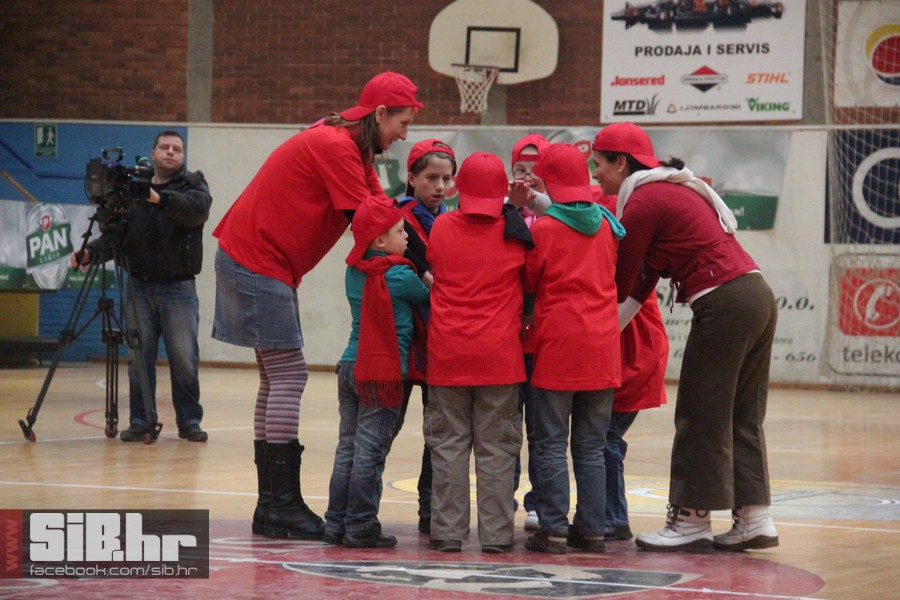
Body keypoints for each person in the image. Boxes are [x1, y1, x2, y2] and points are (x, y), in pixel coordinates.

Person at [211, 71, 424, 539]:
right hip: (257, 259)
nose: (405, 134)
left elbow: (381, 207)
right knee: (289, 376)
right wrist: (429, 267)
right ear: (380, 114)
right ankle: (281, 504)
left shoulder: (351, 146)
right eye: (403, 123)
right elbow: (371, 224)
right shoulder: (335, 146)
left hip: (256, 259)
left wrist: (416, 238)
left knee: (276, 378)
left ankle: (272, 507)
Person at [592, 121, 779, 552]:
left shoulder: (643, 201)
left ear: (621, 163)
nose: (595, 174)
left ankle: (692, 521)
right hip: (756, 295)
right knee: (742, 415)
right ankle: (755, 519)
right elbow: (644, 280)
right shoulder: (671, 189)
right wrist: (609, 330)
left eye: (598, 164)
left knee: (700, 413)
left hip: (723, 302)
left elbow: (621, 277)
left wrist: (585, 325)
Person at [71, 130, 212, 444]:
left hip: (179, 288)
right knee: (138, 359)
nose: (171, 152)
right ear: (153, 152)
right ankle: (141, 421)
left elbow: (196, 210)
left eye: (177, 148)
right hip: (138, 286)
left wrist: (157, 198)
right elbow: (117, 236)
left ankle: (189, 421)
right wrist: (90, 252)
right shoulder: (132, 189)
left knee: (184, 358)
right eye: (164, 147)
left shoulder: (193, 184)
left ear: (183, 156)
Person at [424, 152, 531, 554]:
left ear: (458, 188)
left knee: (448, 446)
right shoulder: (514, 233)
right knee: (497, 451)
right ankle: (498, 536)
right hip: (500, 358)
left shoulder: (442, 226)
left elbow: (436, 264)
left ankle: (447, 533)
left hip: (448, 356)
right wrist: (512, 209)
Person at [522, 143, 623, 554]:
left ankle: (552, 529)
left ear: (548, 183)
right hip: (602, 348)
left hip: (559, 348)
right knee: (591, 447)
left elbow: (528, 283)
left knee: (550, 444)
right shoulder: (607, 225)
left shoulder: (543, 230)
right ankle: (593, 531)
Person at [324, 196, 431, 549]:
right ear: (380, 242)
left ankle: (336, 522)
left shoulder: (352, 271)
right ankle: (360, 524)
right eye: (401, 232)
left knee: (348, 448)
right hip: (381, 373)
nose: (407, 238)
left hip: (349, 366)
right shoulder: (401, 275)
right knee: (370, 452)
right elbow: (431, 297)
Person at [594, 189, 669, 542]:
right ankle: (607, 514)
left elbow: (616, 321)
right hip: (625, 359)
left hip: (634, 361)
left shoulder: (627, 267)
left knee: (605, 436)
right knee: (604, 437)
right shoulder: (611, 260)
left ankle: (613, 518)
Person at [390, 138, 457, 535]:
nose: (440, 186)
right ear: (411, 178)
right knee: (383, 431)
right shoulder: (393, 220)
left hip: (439, 345)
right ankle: (356, 513)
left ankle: (431, 511)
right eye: (431, 177)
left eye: (447, 179)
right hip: (399, 343)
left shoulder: (454, 222)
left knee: (439, 437)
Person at [506, 133, 551, 532]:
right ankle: (502, 499)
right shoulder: (499, 213)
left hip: (540, 343)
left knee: (540, 428)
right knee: (504, 429)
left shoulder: (557, 218)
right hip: (505, 340)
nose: (527, 179)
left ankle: (539, 503)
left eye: (536, 173)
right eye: (521, 170)